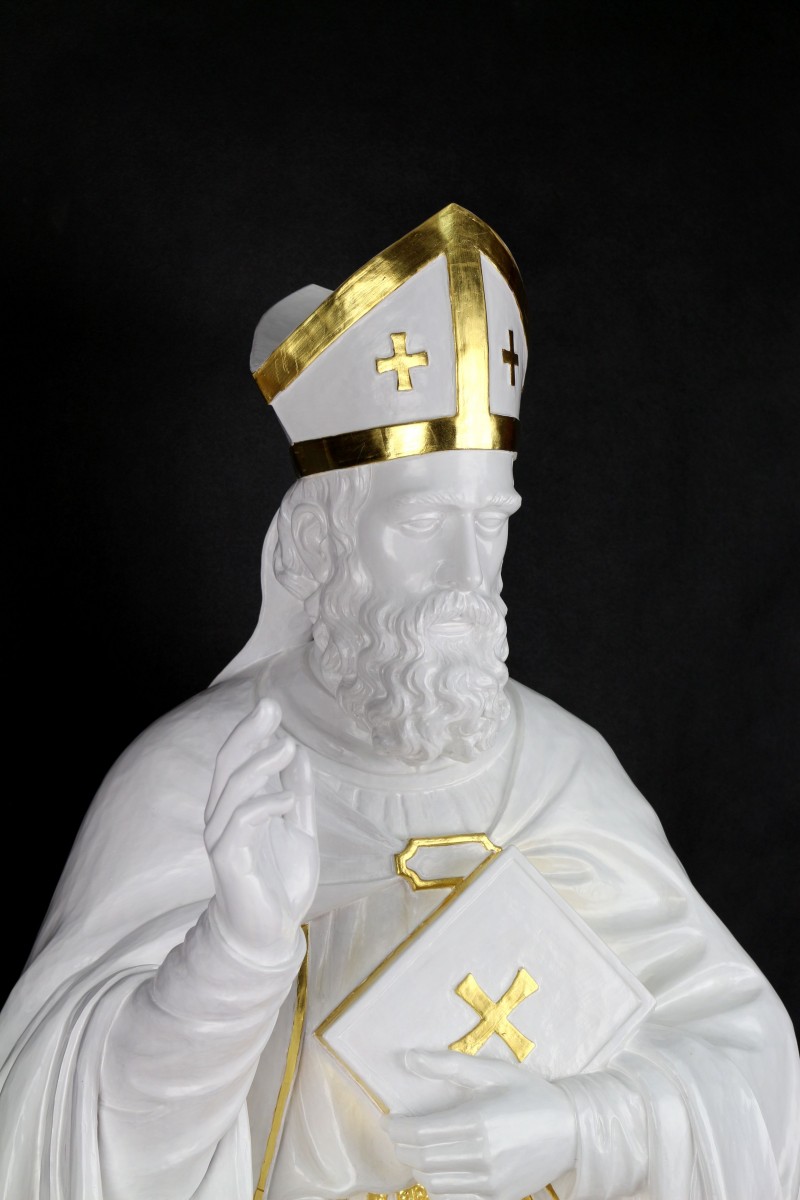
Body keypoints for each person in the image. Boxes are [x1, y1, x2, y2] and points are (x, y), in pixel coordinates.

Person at [0, 204, 797, 1200]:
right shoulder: (200, 780)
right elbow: (64, 1125)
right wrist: (237, 950)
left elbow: (751, 1068)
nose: (467, 573)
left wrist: (578, 1125)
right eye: (422, 522)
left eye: (490, 522)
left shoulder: (563, 771)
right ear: (314, 544)